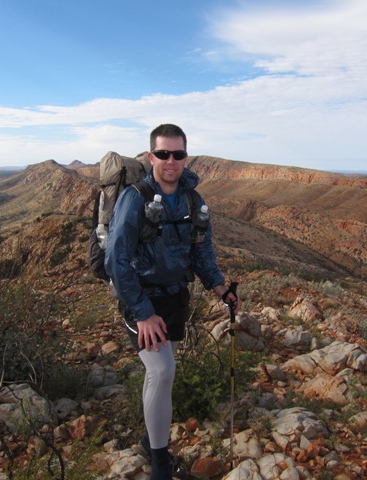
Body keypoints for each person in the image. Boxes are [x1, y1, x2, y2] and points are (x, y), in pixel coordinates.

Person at [105, 123, 240, 480]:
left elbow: (202, 252)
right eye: (163, 154)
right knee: (163, 371)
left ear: (185, 157)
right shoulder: (134, 198)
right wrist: (143, 313)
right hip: (141, 302)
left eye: (178, 154)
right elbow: (115, 261)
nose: (171, 161)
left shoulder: (193, 200)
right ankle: (160, 463)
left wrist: (220, 289)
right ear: (151, 156)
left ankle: (150, 439)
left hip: (176, 298)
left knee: (161, 374)